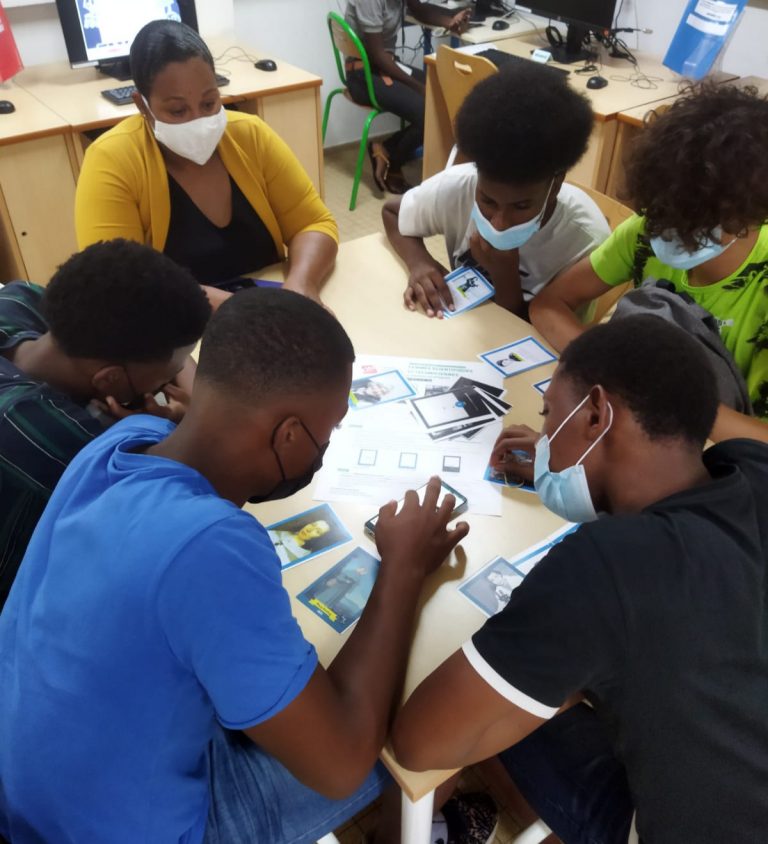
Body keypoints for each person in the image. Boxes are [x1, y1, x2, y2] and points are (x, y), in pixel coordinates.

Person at [0, 287, 469, 843]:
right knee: (422, 730)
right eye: (331, 428)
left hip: (30, 789)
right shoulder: (210, 545)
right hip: (113, 830)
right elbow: (339, 765)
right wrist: (402, 568)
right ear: (288, 434)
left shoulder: (122, 442)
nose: (327, 443)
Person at [391, 315, 768, 843]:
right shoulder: (752, 465)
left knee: (487, 710)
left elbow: (418, 744)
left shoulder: (605, 564)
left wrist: (403, 568)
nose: (544, 437)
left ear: (595, 415)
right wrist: (591, 475)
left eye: (549, 416)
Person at [529, 82, 768, 444]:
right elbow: (549, 304)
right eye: (660, 214)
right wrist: (601, 365)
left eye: (692, 224)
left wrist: (660, 402)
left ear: (747, 216)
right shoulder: (648, 231)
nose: (670, 232)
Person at [0, 239, 210, 612]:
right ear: (110, 380)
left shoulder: (23, 300)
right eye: (167, 375)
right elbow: (171, 488)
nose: (172, 382)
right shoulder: (40, 427)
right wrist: (173, 424)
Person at [75, 20, 338, 307]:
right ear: (142, 106)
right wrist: (241, 311)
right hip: (179, 322)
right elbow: (118, 281)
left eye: (209, 103)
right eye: (178, 111)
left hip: (265, 306)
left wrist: (300, 284)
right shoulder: (112, 160)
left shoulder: (250, 135)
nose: (198, 121)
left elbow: (313, 223)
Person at [383, 62, 610, 318]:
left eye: (521, 206)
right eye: (488, 201)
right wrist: (420, 262)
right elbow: (392, 212)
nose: (499, 224)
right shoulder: (460, 186)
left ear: (555, 185)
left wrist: (505, 275)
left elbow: (538, 332)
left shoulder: (586, 241)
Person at [344, 0, 470, 194]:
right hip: (363, 74)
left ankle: (386, 149)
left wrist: (449, 22)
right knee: (427, 111)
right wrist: (418, 87)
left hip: (385, 65)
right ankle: (393, 163)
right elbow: (377, 55)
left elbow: (418, 9)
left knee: (443, 92)